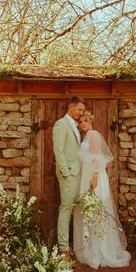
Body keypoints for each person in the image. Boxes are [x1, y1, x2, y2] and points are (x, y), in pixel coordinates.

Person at [73, 111, 131, 269]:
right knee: (90, 211)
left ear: (90, 122)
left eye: (85, 121)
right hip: (88, 175)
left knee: (96, 210)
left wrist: (95, 178)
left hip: (94, 176)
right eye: (80, 121)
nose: (82, 124)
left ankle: (100, 249)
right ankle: (91, 247)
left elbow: (98, 158)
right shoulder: (87, 136)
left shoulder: (93, 135)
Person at [52, 96, 86, 263]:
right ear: (71, 107)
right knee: (66, 208)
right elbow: (58, 150)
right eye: (79, 109)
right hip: (69, 174)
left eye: (82, 111)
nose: (81, 113)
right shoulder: (61, 124)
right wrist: (66, 173)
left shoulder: (75, 126)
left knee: (75, 209)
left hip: (77, 173)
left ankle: (73, 245)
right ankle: (63, 248)